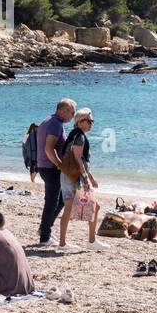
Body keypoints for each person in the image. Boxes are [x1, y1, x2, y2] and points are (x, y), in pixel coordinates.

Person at [58, 108, 103, 250]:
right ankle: (90, 241)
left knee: (69, 207)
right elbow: (78, 159)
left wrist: (91, 177)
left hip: (66, 175)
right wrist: (85, 179)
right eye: (89, 121)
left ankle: (64, 243)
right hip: (74, 178)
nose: (91, 124)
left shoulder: (74, 134)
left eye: (92, 121)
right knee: (94, 206)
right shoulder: (80, 137)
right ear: (80, 122)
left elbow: (80, 160)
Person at [35, 98, 76, 246]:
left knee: (58, 200)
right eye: (72, 112)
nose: (73, 116)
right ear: (63, 110)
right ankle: (44, 236)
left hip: (44, 166)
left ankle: (44, 229)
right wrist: (60, 165)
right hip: (50, 168)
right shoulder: (55, 124)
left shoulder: (49, 120)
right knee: (52, 202)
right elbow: (49, 148)